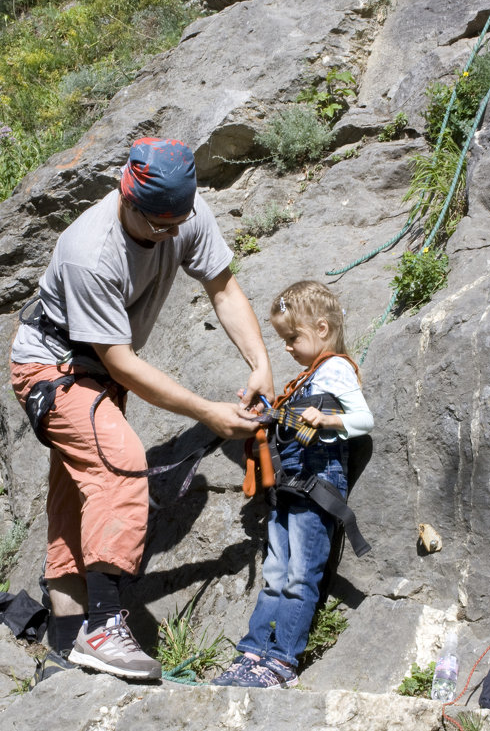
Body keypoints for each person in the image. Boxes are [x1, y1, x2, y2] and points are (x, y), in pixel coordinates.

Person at [10, 137, 273, 682]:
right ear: (126, 197)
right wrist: (207, 412)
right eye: (159, 226)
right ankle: (103, 629)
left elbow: (223, 288)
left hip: (100, 374)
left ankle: (63, 654)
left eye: (178, 222)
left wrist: (259, 363)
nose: (172, 234)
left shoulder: (181, 213)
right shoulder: (91, 250)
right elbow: (122, 362)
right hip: (54, 371)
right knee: (120, 465)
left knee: (75, 509)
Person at [212, 280, 373, 689]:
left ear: (322, 329)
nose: (285, 346)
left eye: (291, 337)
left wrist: (330, 420)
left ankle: (280, 660)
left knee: (300, 574)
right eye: (282, 339)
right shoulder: (306, 377)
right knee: (276, 570)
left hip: (317, 481)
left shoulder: (336, 367)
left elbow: (364, 420)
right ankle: (253, 652)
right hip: (290, 483)